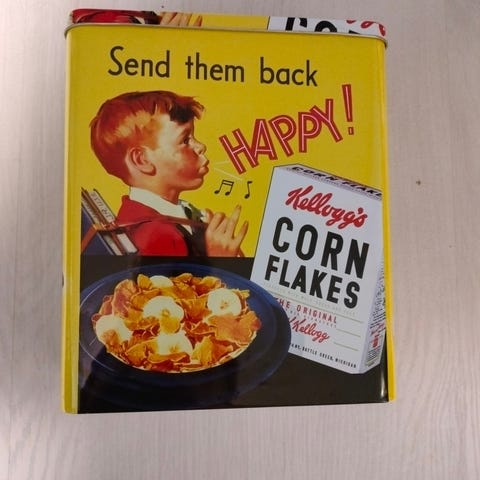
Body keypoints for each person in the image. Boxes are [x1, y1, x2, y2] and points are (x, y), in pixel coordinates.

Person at [90, 90, 248, 256]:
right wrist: (220, 259)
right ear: (142, 160)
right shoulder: (157, 236)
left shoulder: (172, 217)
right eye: (185, 140)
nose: (201, 146)